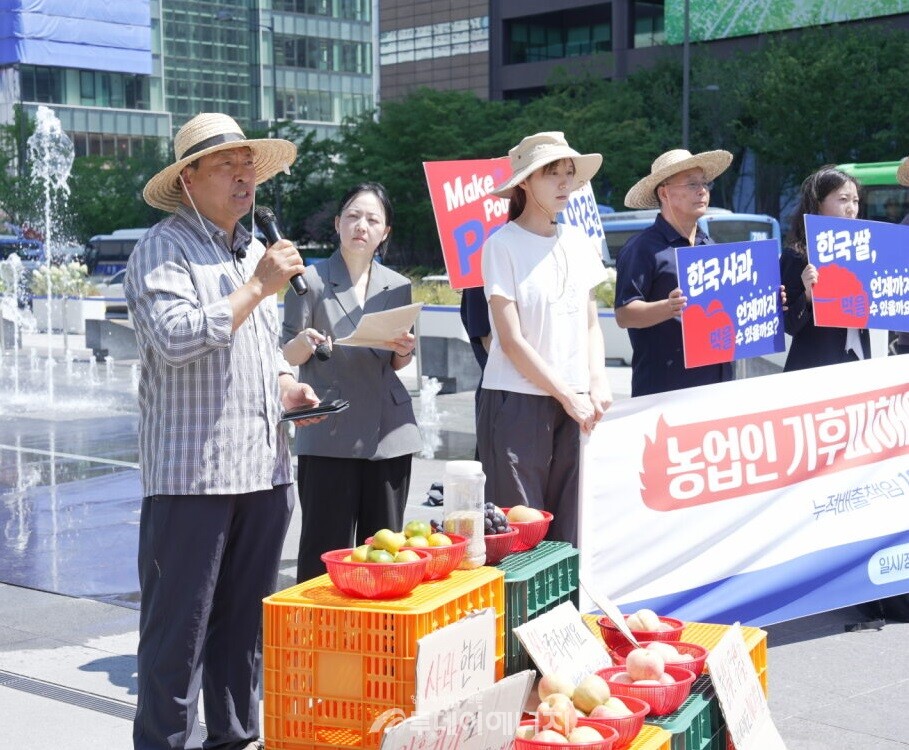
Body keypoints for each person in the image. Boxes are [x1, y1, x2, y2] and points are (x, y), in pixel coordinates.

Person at [126, 112, 324, 750]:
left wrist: (287, 389)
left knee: (242, 638)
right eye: (225, 166)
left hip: (264, 471)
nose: (245, 178)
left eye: (249, 166)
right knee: (174, 647)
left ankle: (236, 741)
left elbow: (257, 358)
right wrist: (259, 287)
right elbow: (177, 337)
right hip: (193, 479)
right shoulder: (164, 246)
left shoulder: (246, 250)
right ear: (188, 179)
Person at [282, 182, 423, 582]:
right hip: (329, 430)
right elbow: (286, 354)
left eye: (372, 219)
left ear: (385, 232)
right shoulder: (308, 280)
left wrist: (403, 347)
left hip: (390, 432)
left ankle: (378, 638)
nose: (362, 225)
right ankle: (315, 635)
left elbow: (402, 362)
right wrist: (303, 343)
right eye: (353, 216)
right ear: (337, 223)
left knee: (386, 552)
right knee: (323, 552)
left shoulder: (397, 285)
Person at [477, 131, 612, 547]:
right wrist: (568, 395)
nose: (564, 183)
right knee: (520, 530)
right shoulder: (501, 245)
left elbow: (591, 322)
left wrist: (597, 381)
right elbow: (511, 340)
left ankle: (567, 613)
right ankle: (522, 616)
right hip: (515, 400)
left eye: (569, 173)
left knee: (570, 526)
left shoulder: (578, 241)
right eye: (552, 174)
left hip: (574, 402)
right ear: (524, 182)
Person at [614, 148, 735, 397]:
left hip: (716, 384)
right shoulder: (642, 247)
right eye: (692, 184)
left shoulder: (710, 246)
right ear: (664, 192)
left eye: (705, 183)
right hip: (665, 389)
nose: (702, 190)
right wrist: (668, 307)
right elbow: (624, 314)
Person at [780, 165, 870, 371]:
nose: (852, 208)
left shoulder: (865, 252)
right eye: (843, 199)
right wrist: (808, 296)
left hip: (859, 362)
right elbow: (788, 326)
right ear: (818, 204)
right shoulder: (796, 255)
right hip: (815, 368)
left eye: (855, 201)